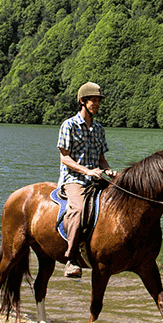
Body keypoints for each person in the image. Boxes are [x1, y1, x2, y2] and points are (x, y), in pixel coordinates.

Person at [59, 82, 113, 276]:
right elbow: (65, 158)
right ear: (83, 101)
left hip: (95, 178)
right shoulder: (69, 125)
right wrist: (86, 171)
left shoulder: (99, 129)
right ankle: (71, 259)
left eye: (98, 101)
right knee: (79, 209)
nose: (97, 104)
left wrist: (108, 171)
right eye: (93, 100)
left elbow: (101, 159)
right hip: (73, 179)